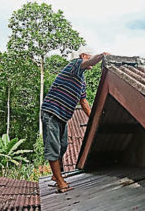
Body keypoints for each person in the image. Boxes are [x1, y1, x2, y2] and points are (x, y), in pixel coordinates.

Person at [41, 51, 108, 193]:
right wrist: (102, 55)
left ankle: (55, 175)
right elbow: (90, 62)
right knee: (53, 147)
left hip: (63, 117)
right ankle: (60, 183)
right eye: (89, 56)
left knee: (62, 146)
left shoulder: (81, 81)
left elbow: (83, 102)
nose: (90, 60)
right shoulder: (74, 65)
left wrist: (93, 119)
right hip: (51, 112)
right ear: (83, 56)